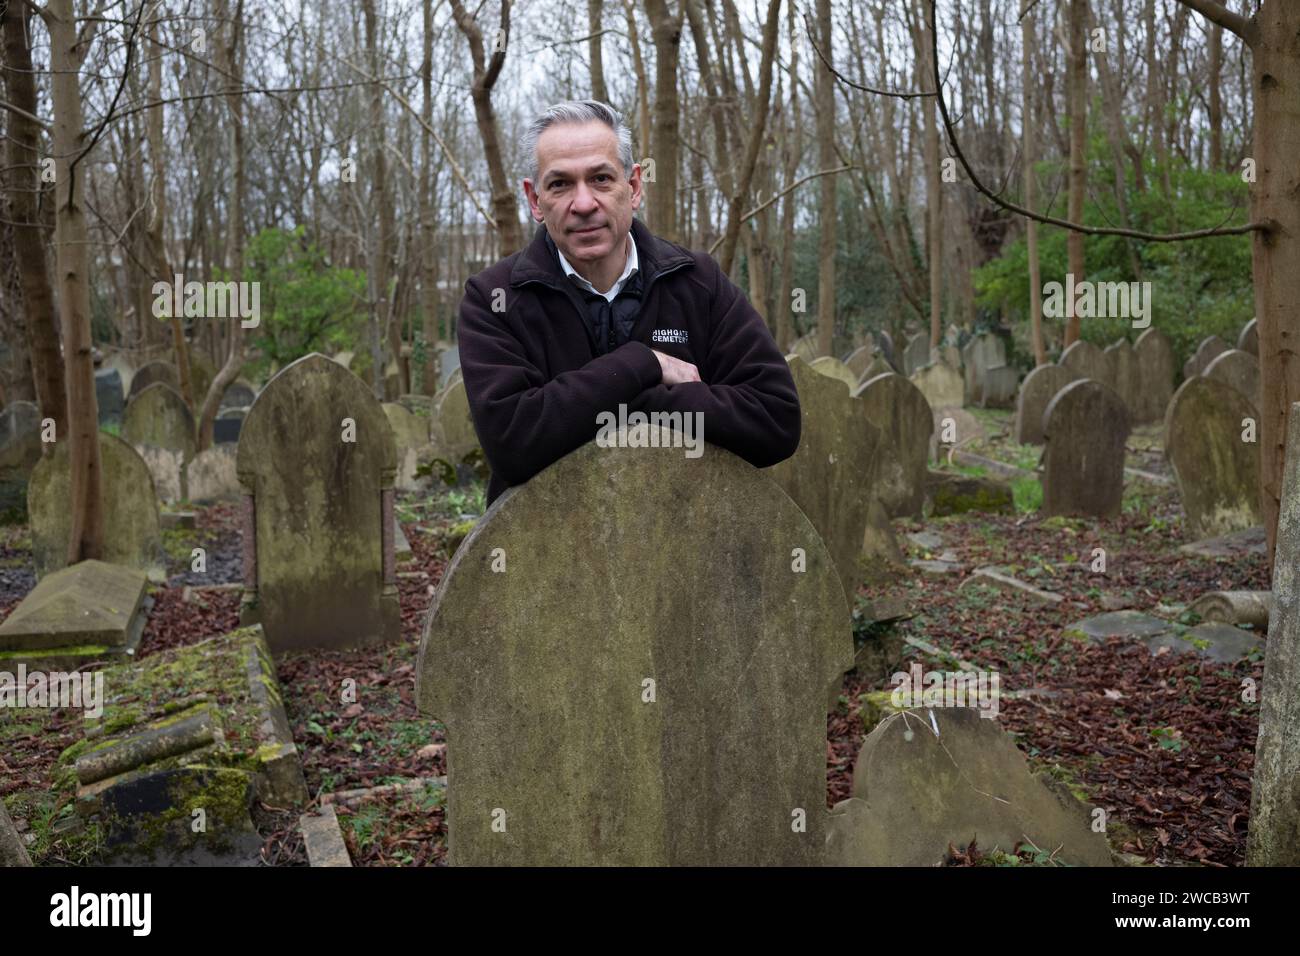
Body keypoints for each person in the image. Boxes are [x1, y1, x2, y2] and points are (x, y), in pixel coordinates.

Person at [458, 100, 800, 505]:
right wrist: (644, 364)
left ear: (633, 187)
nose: (583, 204)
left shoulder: (697, 282)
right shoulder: (493, 299)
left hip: (683, 544)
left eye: (601, 178)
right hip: (545, 553)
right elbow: (513, 444)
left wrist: (622, 399)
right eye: (560, 184)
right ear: (535, 200)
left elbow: (775, 421)